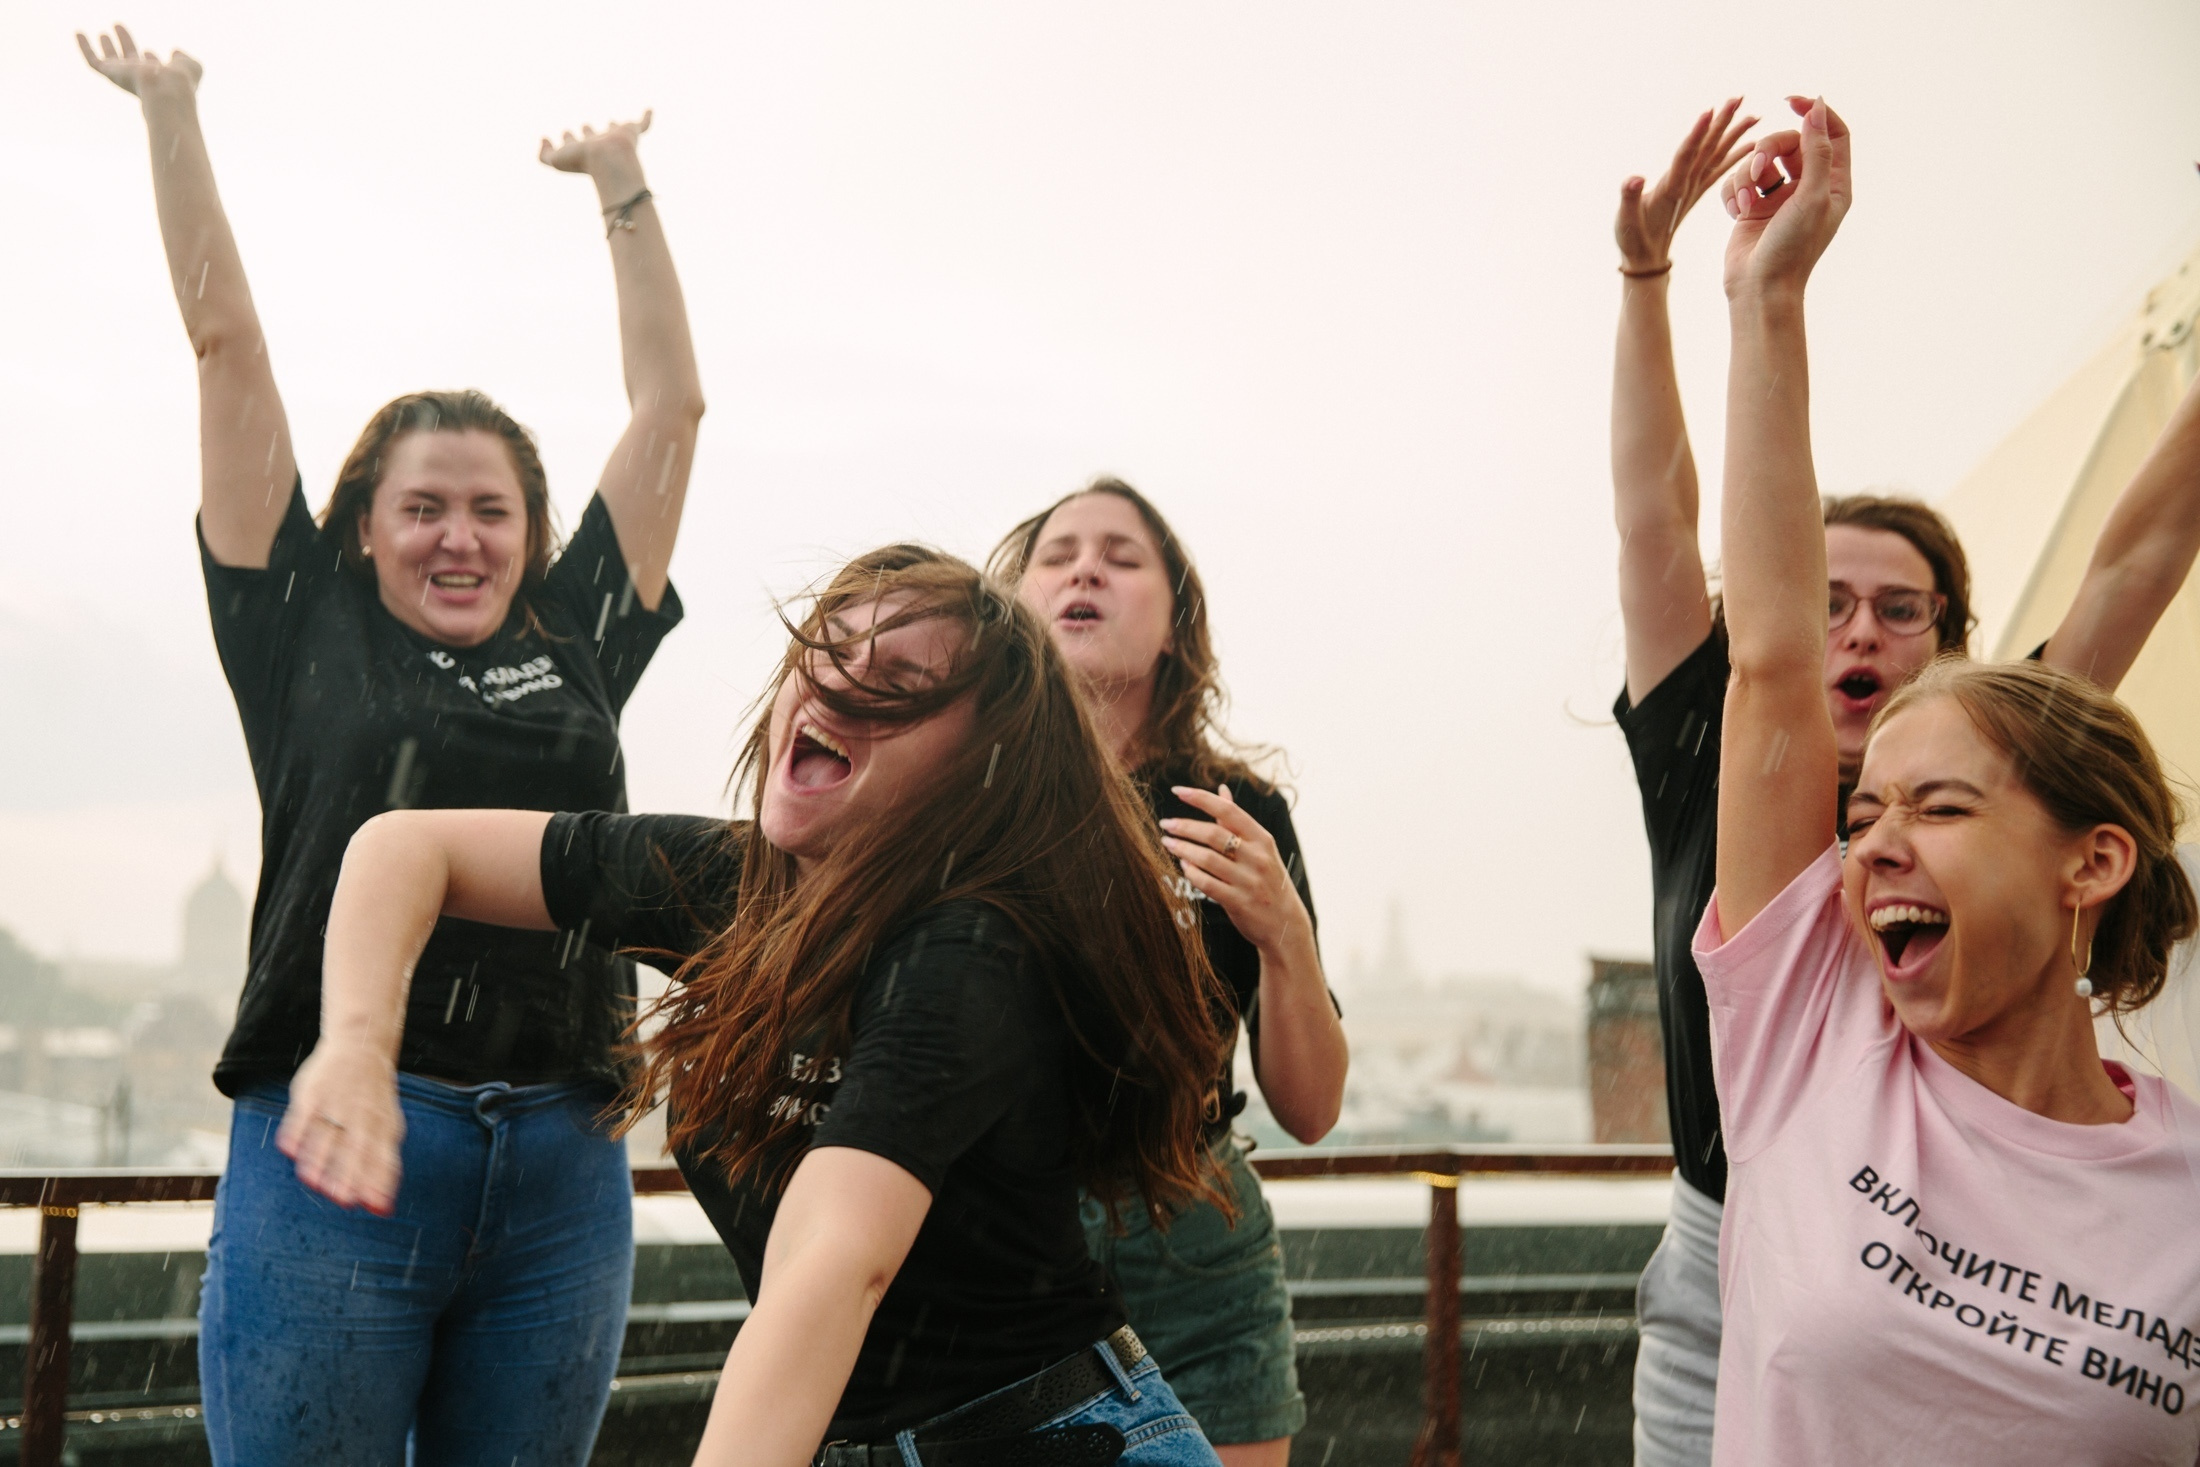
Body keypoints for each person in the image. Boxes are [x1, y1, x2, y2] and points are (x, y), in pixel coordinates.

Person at [82, 26, 705, 1465]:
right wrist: (172, 108)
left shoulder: (577, 637)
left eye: (491, 508)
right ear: (360, 525)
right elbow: (224, 341)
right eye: (423, 504)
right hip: (338, 1137)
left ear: (533, 539)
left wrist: (621, 180)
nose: (460, 534)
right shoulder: (302, 620)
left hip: (563, 1153)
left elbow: (670, 408)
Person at [286, 547, 1235, 1465]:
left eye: (899, 680)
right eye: (826, 649)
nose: (833, 685)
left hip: (1048, 1440)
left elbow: (834, 1259)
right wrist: (357, 1046)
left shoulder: (969, 949)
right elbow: (405, 847)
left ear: (982, 763)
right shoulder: (737, 883)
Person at [1610, 98, 2200, 1465]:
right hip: (1731, 1250)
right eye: (1864, 812)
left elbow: (2139, 555)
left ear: (2091, 855)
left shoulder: (2173, 1190)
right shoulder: (1810, 1016)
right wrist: (1754, 299)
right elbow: (1756, 654)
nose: (1867, 846)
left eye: (1936, 807)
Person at [991, 482, 1349, 1466]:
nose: (1086, 568)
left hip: (1199, 1229)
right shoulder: (963, 799)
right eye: (1058, 553)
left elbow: (1311, 1109)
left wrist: (1284, 935)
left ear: (1173, 624)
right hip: (1008, 1229)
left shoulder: (1237, 812)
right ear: (1012, 611)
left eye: (1121, 553)